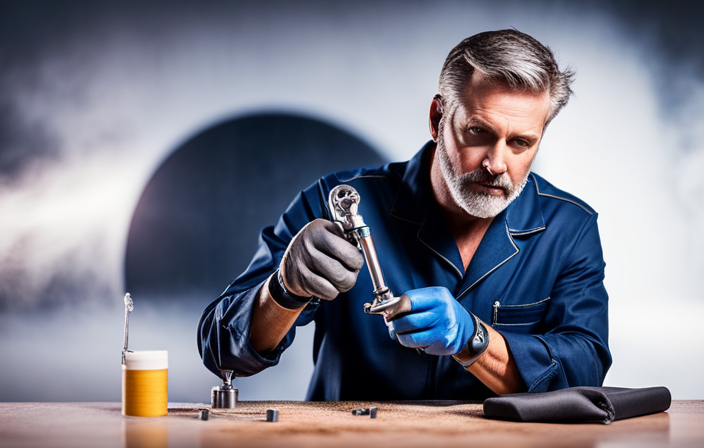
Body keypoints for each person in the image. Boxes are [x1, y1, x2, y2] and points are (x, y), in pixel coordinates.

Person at [198, 29, 611, 400]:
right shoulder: (334, 202)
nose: (497, 163)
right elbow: (221, 352)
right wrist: (283, 289)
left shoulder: (570, 229)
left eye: (520, 143)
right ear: (437, 118)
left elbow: (586, 374)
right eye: (478, 132)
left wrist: (475, 340)